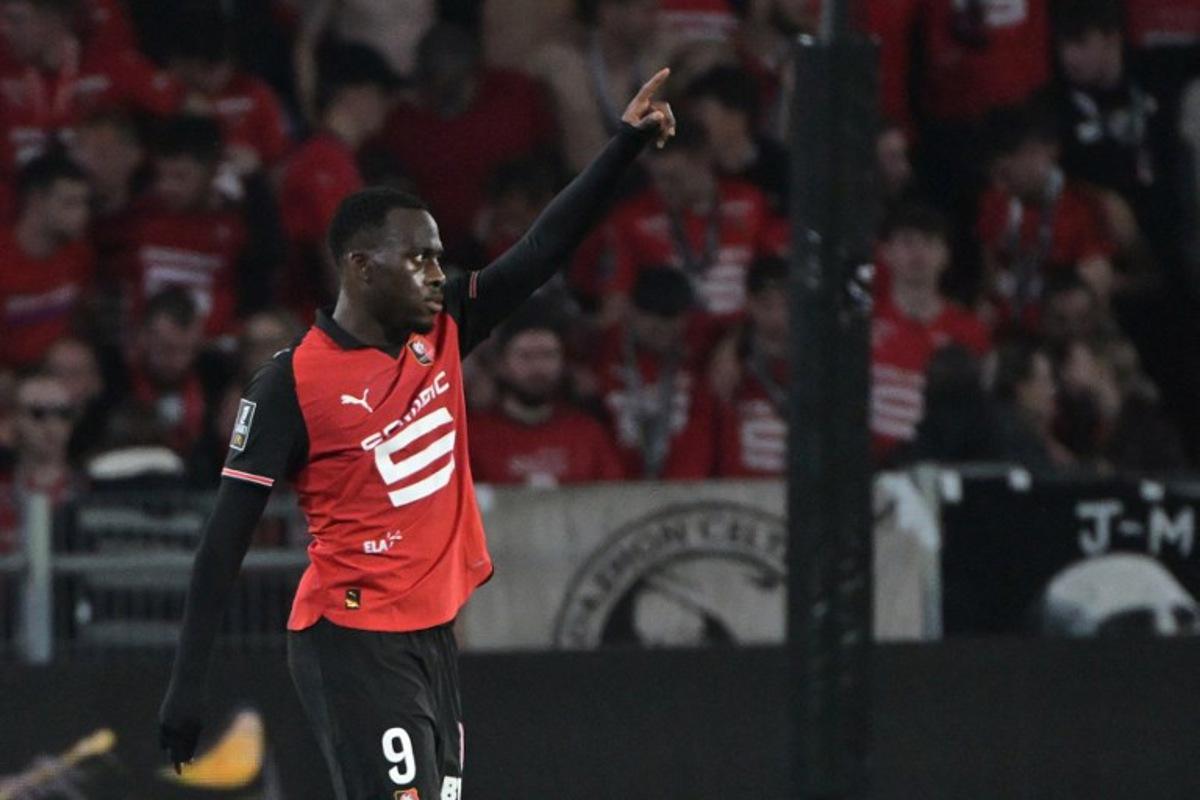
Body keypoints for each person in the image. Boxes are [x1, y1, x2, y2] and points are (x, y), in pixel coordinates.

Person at [159, 70, 675, 799]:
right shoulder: (290, 385)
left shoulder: (443, 329)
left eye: (438, 257)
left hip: (433, 637)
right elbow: (223, 543)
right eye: (420, 259)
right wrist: (186, 688)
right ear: (361, 269)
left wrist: (621, 147)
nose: (439, 274)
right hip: (352, 640)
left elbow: (540, 251)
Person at [375, 22, 558, 257]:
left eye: (452, 83)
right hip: (447, 251)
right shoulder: (404, 125)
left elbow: (549, 158)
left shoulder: (514, 97)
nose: (442, 92)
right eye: (432, 81)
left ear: (475, 73)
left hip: (528, 234)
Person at [278, 42, 395, 317]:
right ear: (354, 93)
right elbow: (338, 262)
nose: (389, 105)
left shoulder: (333, 157)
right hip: (309, 324)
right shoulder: (325, 161)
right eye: (382, 93)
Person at [976, 104, 1116, 331]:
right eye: (996, 174)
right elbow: (989, 274)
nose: (999, 183)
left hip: (1064, 329)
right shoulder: (994, 201)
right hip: (1008, 326)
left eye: (1007, 173)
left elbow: (1096, 289)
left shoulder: (1084, 205)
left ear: (1042, 152)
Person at [871, 204, 990, 463]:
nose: (918, 253)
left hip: (942, 464)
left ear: (945, 255)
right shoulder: (862, 326)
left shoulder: (970, 331)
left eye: (929, 242)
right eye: (907, 242)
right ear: (885, 253)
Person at [468, 304, 623, 486]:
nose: (538, 368)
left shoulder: (588, 433)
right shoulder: (472, 437)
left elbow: (615, 499)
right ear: (501, 364)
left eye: (548, 355)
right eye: (525, 356)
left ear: (564, 362)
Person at [124, 114, 247, 338]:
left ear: (211, 172)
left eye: (180, 177)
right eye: (162, 176)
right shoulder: (141, 217)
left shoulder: (236, 224)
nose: (167, 187)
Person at [593, 266, 716, 479]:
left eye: (671, 318)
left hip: (686, 487)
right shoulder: (600, 348)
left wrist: (734, 344)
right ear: (630, 310)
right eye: (651, 316)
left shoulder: (702, 349)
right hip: (616, 489)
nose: (662, 327)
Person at [527, 0, 660, 174]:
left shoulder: (659, 58)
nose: (655, 21)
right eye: (646, 11)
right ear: (609, 11)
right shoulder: (561, 66)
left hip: (644, 188)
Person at [0, 152, 93, 368]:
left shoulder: (80, 255)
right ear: (36, 201)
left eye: (83, 203)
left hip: (63, 374)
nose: (82, 214)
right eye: (69, 204)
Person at [713, 256, 788, 477]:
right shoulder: (728, 364)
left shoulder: (820, 363)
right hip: (740, 495)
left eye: (787, 304)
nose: (778, 316)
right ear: (748, 302)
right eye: (766, 305)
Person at [685, 64, 789, 214]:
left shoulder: (782, 168)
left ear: (737, 116)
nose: (694, 122)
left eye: (702, 112)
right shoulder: (691, 171)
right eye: (692, 113)